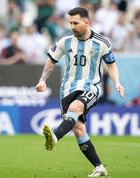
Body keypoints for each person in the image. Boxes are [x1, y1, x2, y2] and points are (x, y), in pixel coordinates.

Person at [35, 7, 124, 177]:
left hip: (92, 86)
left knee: (75, 108)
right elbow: (51, 61)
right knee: (78, 129)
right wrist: (42, 80)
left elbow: (111, 64)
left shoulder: (102, 43)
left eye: (75, 23)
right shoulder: (65, 41)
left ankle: (54, 136)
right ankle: (99, 167)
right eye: (70, 23)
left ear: (86, 22)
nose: (72, 26)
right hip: (67, 88)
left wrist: (117, 82)